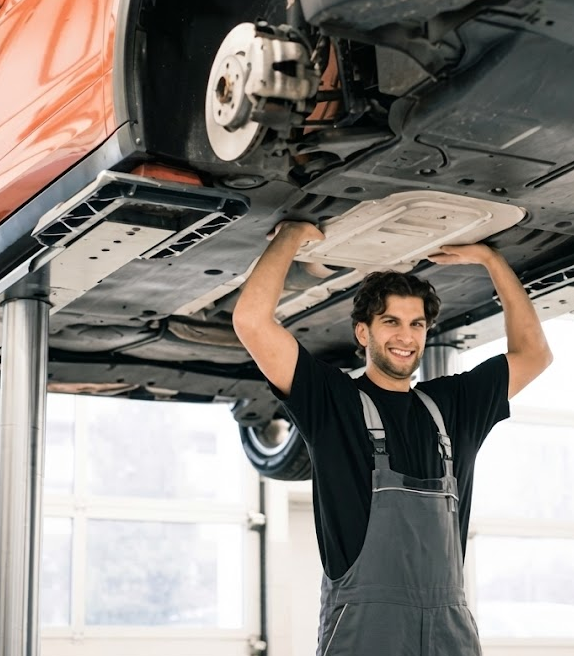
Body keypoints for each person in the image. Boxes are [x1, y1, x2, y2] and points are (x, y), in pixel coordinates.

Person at [233, 220, 552, 656]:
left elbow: (534, 353)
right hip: (367, 632)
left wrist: (491, 259)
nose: (406, 337)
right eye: (391, 322)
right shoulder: (333, 402)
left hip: (449, 631)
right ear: (363, 333)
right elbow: (251, 320)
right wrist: (293, 235)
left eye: (417, 324)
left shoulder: (452, 407)